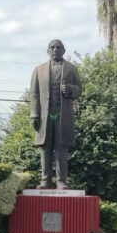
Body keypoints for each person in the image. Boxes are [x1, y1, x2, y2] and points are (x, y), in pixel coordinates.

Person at [30, 39, 82, 189]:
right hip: (44, 116)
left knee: (61, 149)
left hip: (62, 115)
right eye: (52, 47)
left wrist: (70, 89)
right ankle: (45, 180)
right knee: (45, 148)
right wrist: (34, 114)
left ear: (63, 51)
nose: (55, 50)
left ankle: (61, 181)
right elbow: (34, 94)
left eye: (58, 48)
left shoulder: (71, 69)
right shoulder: (38, 70)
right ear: (48, 50)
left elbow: (79, 89)